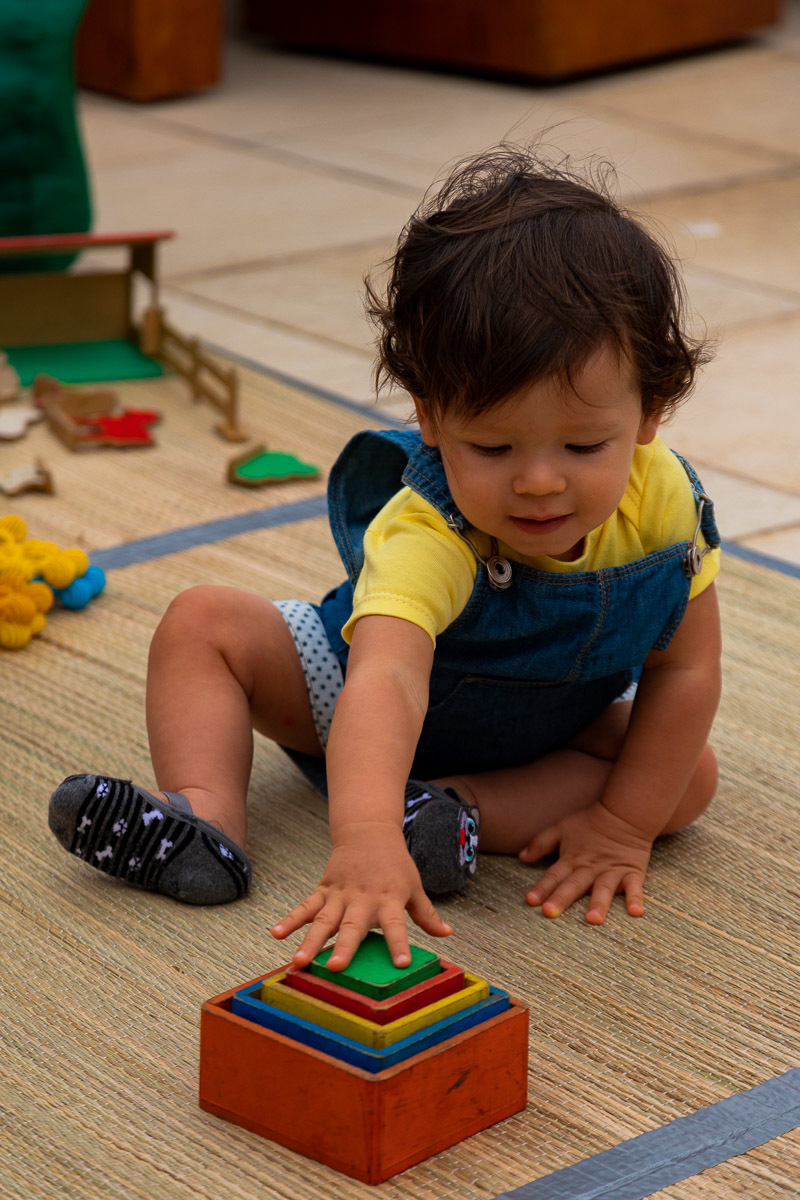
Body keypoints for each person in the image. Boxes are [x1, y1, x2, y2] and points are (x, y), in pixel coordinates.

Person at [49, 145, 722, 975]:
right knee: (203, 623)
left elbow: (687, 670)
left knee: (684, 777)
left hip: (551, 724)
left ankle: (452, 816)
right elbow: (388, 677)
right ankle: (207, 819)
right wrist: (363, 839)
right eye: (493, 447)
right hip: (346, 700)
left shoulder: (669, 508)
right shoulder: (428, 529)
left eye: (584, 446)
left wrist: (623, 827)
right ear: (430, 418)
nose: (539, 482)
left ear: (651, 410)